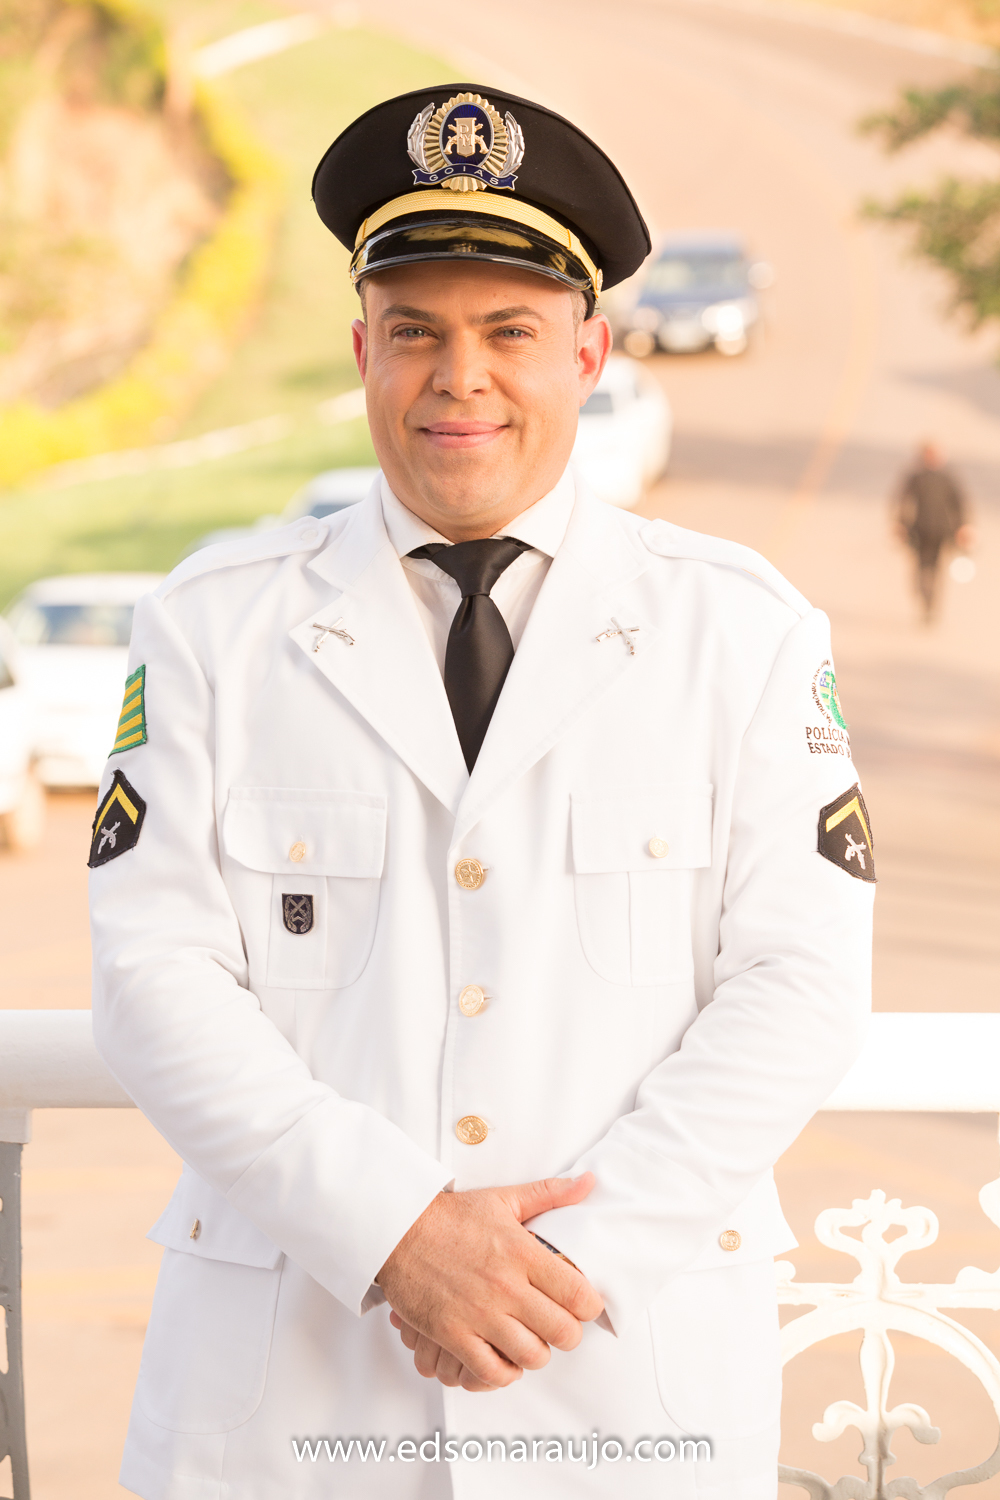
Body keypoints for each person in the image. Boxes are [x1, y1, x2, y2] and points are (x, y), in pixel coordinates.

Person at [88, 84, 875, 1500]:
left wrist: (561, 1266)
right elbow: (154, 977)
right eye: (417, 334)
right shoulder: (211, 627)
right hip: (291, 1402)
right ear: (359, 353)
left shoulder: (744, 632)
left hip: (626, 1385)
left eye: (509, 331)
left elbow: (801, 985)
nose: (462, 378)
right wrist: (398, 1233)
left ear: (591, 350)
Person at [895, 441, 973, 621]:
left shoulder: (948, 478)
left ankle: (932, 603)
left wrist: (963, 527)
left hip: (941, 530)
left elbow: (959, 504)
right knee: (921, 567)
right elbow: (903, 501)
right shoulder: (916, 477)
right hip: (919, 530)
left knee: (937, 568)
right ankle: (924, 596)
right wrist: (900, 524)